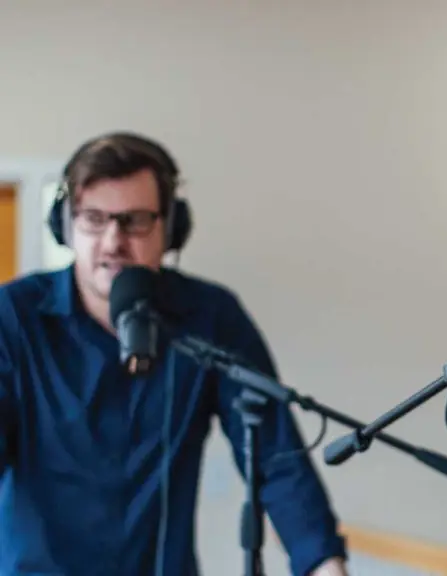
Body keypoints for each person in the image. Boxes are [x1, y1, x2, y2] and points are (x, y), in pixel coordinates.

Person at [0, 132, 349, 575]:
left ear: (171, 228)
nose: (112, 241)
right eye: (93, 218)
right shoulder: (13, 316)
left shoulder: (210, 317)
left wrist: (325, 565)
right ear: (65, 224)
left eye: (135, 220)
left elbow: (276, 461)